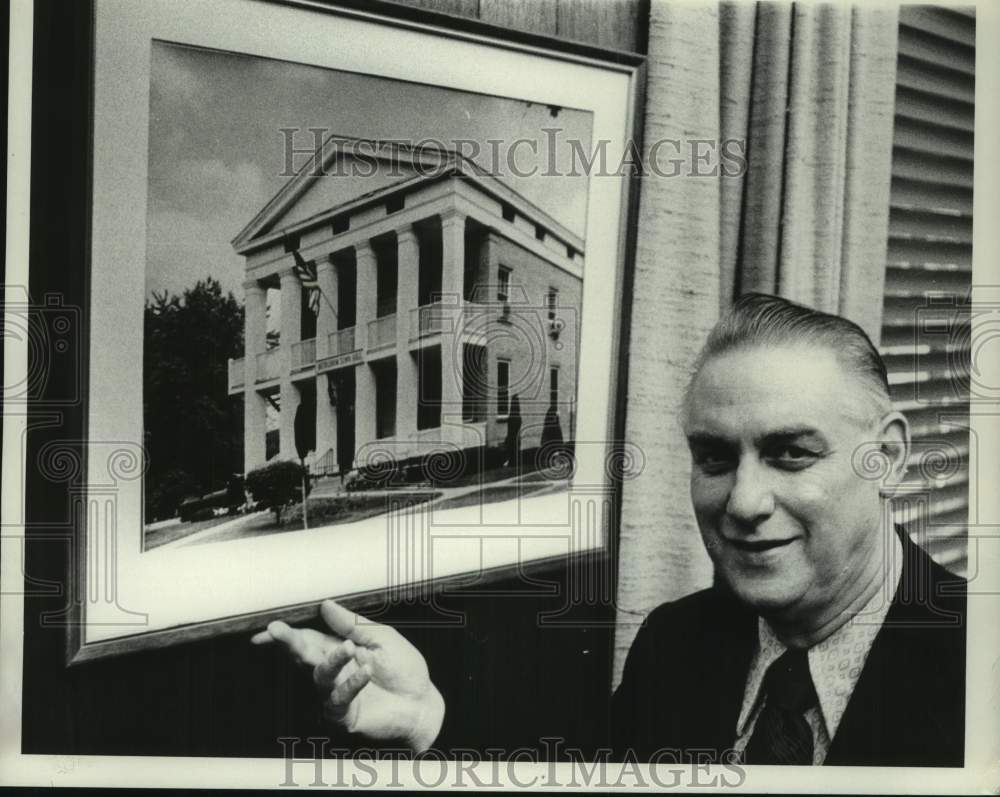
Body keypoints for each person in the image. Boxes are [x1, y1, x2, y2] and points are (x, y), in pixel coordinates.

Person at [252, 294, 966, 766]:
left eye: (791, 452)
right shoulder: (675, 646)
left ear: (889, 456)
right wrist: (427, 723)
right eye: (715, 457)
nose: (744, 501)